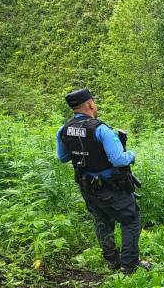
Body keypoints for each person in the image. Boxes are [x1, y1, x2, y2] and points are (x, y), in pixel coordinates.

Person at [56, 88, 148, 273]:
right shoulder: (101, 129)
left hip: (87, 186)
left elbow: (63, 157)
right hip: (111, 187)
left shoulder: (64, 130)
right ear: (90, 104)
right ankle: (130, 265)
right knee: (131, 219)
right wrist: (131, 154)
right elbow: (118, 159)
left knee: (101, 220)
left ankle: (113, 261)